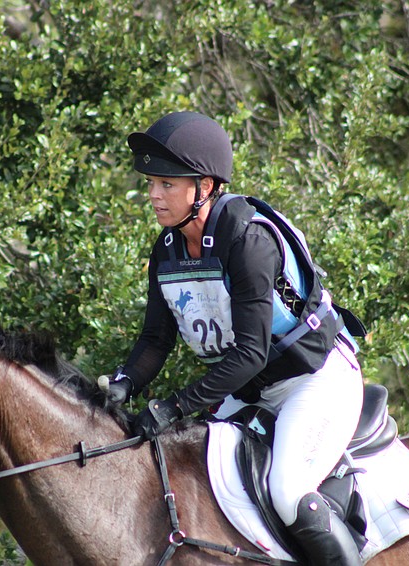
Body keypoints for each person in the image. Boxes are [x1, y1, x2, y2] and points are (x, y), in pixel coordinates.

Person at [104, 111, 364, 566]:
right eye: (151, 183)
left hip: (315, 381)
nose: (153, 194)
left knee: (286, 490)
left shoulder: (247, 239)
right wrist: (124, 384)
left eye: (167, 184)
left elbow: (251, 351)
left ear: (204, 187)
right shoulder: (166, 250)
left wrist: (173, 406)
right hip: (249, 390)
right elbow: (154, 339)